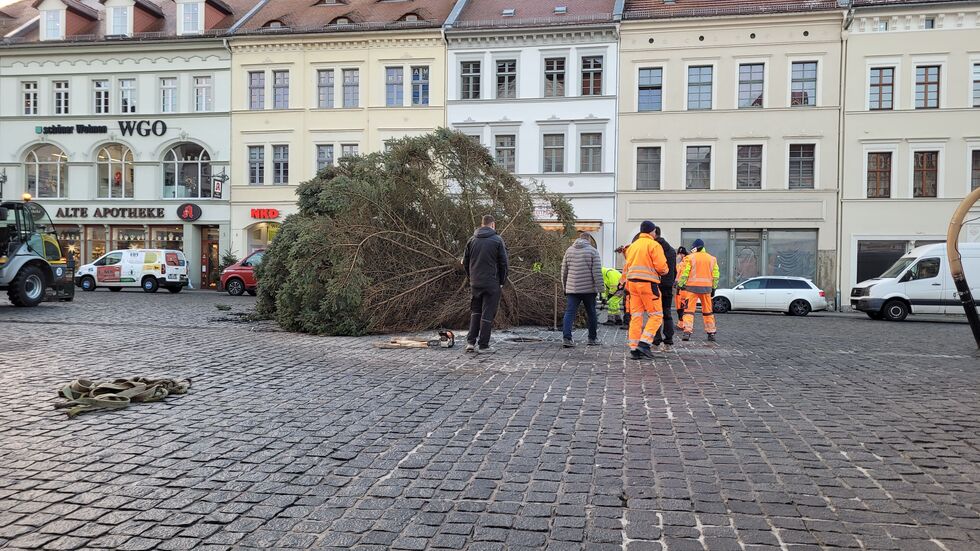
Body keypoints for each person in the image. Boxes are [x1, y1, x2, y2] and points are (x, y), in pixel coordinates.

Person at [622, 221, 669, 359]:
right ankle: (644, 343)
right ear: (651, 231)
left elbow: (627, 266)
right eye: (654, 231)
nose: (655, 234)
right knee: (656, 315)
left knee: (636, 316)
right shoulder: (654, 245)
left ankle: (634, 347)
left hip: (633, 285)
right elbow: (661, 267)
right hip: (648, 284)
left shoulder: (632, 246)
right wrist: (665, 271)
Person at [463, 215, 509, 353]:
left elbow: (465, 261)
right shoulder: (497, 240)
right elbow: (504, 263)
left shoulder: (472, 240)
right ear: (493, 225)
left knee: (475, 311)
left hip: (475, 282)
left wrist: (470, 277)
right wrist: (502, 281)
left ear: (482, 224)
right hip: (491, 283)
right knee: (487, 313)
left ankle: (470, 342)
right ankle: (483, 345)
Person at [560, 232, 603, 348]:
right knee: (591, 313)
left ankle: (567, 339)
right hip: (589, 290)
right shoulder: (593, 251)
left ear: (579, 239)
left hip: (572, 289)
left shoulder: (569, 250)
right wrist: (601, 289)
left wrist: (565, 287)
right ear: (588, 240)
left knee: (569, 313)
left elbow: (564, 271)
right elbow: (597, 272)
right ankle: (592, 338)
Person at [677, 239, 719, 342]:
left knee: (688, 311)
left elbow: (685, 273)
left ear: (695, 248)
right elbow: (716, 275)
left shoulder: (689, 258)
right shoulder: (712, 259)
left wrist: (680, 284)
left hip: (691, 288)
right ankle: (711, 332)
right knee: (708, 312)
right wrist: (714, 287)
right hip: (707, 289)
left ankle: (687, 332)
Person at [650, 226, 677, 352]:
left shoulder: (653, 248)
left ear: (654, 234)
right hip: (667, 285)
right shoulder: (671, 250)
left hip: (655, 284)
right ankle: (669, 342)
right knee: (667, 313)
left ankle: (656, 341)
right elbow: (675, 270)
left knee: (656, 313)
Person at [674, 246, 689, 329]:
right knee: (679, 307)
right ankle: (680, 323)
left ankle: (684, 324)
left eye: (682, 254)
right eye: (680, 254)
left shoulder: (686, 262)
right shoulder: (680, 263)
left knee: (683, 307)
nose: (681, 255)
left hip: (684, 288)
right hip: (679, 288)